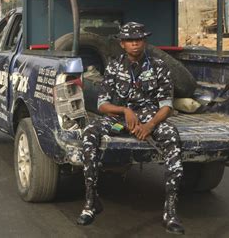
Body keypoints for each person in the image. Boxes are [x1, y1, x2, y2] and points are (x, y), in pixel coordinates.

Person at [77, 22, 185, 235]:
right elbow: (102, 105)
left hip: (149, 119)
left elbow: (167, 106)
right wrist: (124, 110)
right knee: (89, 134)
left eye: (139, 39)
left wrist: (150, 126)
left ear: (144, 42)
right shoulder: (114, 66)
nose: (135, 43)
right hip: (119, 119)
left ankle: (170, 212)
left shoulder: (159, 66)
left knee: (172, 137)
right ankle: (91, 203)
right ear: (122, 44)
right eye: (129, 40)